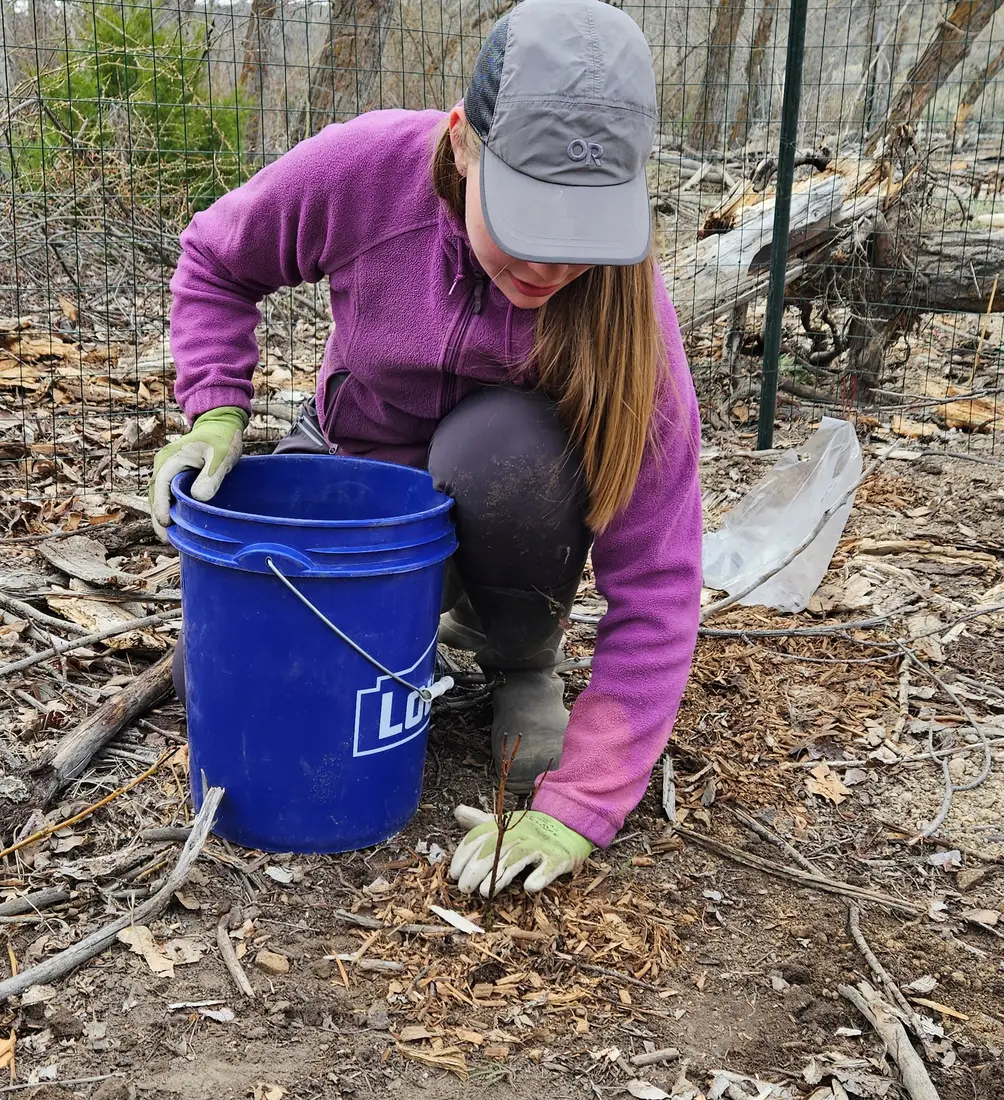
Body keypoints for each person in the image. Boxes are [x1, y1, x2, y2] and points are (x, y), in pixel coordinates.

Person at [150, 0, 702, 898]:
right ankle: (408, 635)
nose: (554, 264)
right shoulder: (364, 170)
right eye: (529, 216)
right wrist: (215, 410)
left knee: (507, 443)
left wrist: (582, 805)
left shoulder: (624, 313)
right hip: (354, 468)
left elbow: (663, 575)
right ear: (460, 145)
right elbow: (216, 258)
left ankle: (516, 658)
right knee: (248, 667)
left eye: (584, 233)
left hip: (499, 504)